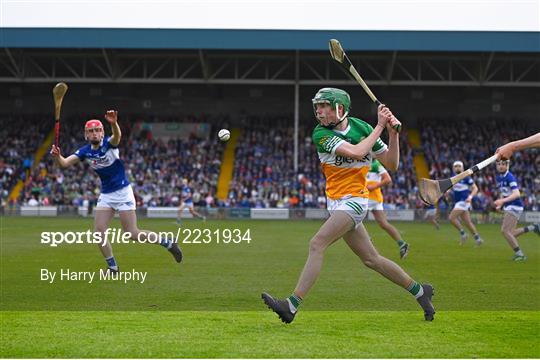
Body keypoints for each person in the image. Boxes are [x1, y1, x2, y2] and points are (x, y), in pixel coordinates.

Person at [261, 88, 435, 323]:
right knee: (372, 259)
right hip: (336, 203)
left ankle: (291, 306)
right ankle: (420, 291)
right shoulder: (320, 133)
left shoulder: (362, 127)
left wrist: (393, 135)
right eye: (318, 106)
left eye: (324, 106)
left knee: (317, 243)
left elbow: (392, 164)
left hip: (355, 202)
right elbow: (357, 152)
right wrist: (381, 126)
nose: (319, 111)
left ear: (339, 108)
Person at [50, 110, 183, 272]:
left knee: (132, 233)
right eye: (91, 131)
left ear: (102, 133)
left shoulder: (109, 143)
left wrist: (113, 123)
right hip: (106, 194)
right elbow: (64, 164)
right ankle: (113, 267)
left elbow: (117, 137)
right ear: (86, 135)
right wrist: (57, 156)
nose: (94, 133)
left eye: (98, 130)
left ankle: (168, 243)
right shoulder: (84, 152)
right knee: (98, 232)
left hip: (122, 192)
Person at [494, 159, 539, 261]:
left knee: (504, 231)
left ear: (507, 165)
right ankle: (534, 227)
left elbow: (517, 194)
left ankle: (520, 254)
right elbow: (503, 192)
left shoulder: (510, 177)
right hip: (510, 205)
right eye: (499, 164)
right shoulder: (499, 177)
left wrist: (502, 201)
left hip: (514, 205)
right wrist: (501, 204)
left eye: (503, 164)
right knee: (512, 233)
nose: (501, 166)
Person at [366, 159, 409, 258]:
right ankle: (402, 244)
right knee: (383, 224)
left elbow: (388, 179)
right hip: (374, 198)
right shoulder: (364, 162)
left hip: (370, 198)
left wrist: (374, 186)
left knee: (355, 220)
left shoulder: (375, 164)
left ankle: (369, 244)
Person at [447, 161, 484, 246]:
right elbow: (450, 189)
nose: (457, 168)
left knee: (451, 218)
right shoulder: (453, 178)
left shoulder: (466, 177)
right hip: (458, 202)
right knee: (468, 222)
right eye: (455, 166)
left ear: (462, 168)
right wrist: (447, 192)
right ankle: (478, 239)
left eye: (459, 166)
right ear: (453, 168)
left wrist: (470, 197)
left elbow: (475, 188)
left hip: (463, 201)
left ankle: (463, 234)